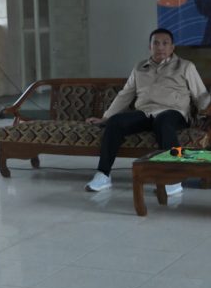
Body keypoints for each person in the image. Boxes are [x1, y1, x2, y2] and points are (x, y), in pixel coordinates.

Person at [85, 28, 211, 194]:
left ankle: (173, 178)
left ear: (172, 47)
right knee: (115, 122)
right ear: (150, 47)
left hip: (174, 113)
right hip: (145, 113)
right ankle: (103, 175)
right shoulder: (140, 67)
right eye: (156, 43)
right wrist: (106, 117)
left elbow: (200, 94)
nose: (160, 47)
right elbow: (125, 94)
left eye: (165, 43)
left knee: (163, 122)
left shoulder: (185, 66)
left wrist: (207, 111)